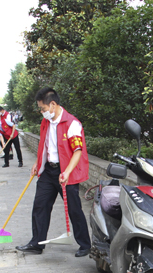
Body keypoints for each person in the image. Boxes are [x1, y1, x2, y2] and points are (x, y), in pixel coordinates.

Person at [15, 87, 92, 257]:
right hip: (49, 171)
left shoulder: (72, 123)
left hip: (67, 173)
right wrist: (37, 163)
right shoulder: (46, 123)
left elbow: (77, 151)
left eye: (43, 109)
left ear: (52, 104)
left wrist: (67, 173)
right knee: (40, 205)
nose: (42, 112)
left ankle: (85, 245)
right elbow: (45, 145)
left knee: (74, 209)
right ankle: (37, 243)